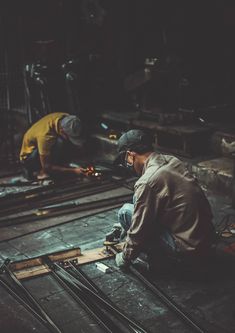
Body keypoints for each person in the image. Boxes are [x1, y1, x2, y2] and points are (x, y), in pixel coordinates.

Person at [115, 129, 215, 270]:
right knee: (138, 197)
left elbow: (139, 230)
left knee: (125, 213)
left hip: (186, 249)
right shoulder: (172, 161)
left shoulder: (148, 181)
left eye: (125, 161)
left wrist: (125, 257)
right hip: (205, 240)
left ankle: (163, 260)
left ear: (130, 155)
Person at [20, 112, 86, 180]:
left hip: (45, 145)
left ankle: (60, 167)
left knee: (61, 142)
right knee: (59, 142)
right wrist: (73, 171)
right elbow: (46, 166)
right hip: (29, 158)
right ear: (62, 131)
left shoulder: (67, 118)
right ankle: (39, 172)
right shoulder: (45, 136)